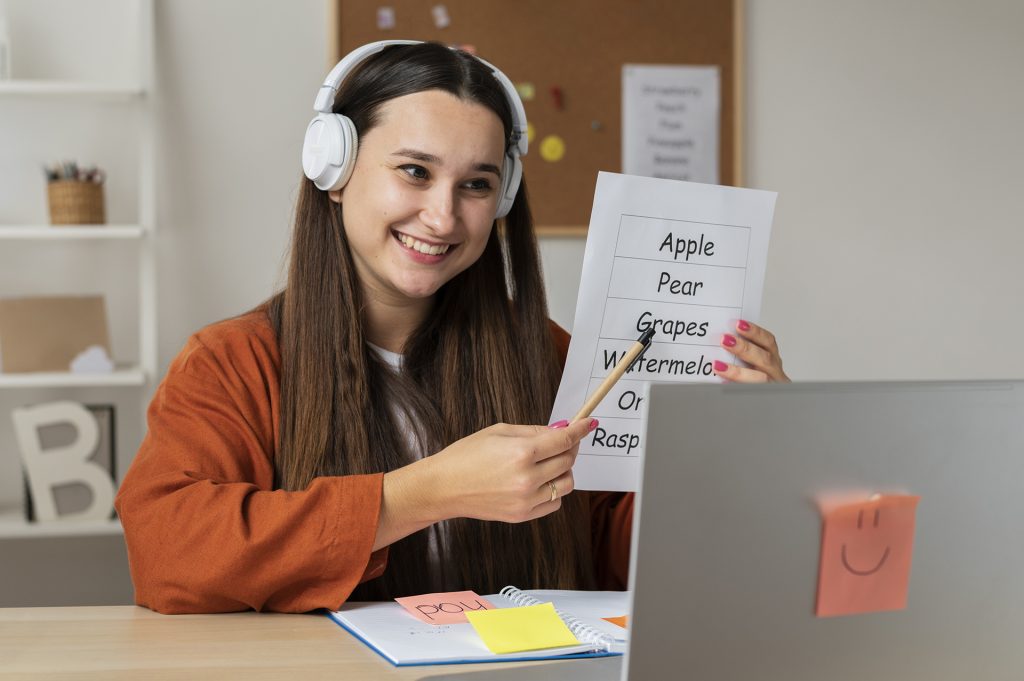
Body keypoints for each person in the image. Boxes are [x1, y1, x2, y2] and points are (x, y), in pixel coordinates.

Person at [115, 41, 789, 615]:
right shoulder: (232, 363)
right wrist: (416, 495)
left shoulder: (551, 357)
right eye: (414, 171)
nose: (442, 216)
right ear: (335, 169)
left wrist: (747, 447)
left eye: (475, 185)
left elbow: (640, 555)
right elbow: (166, 551)